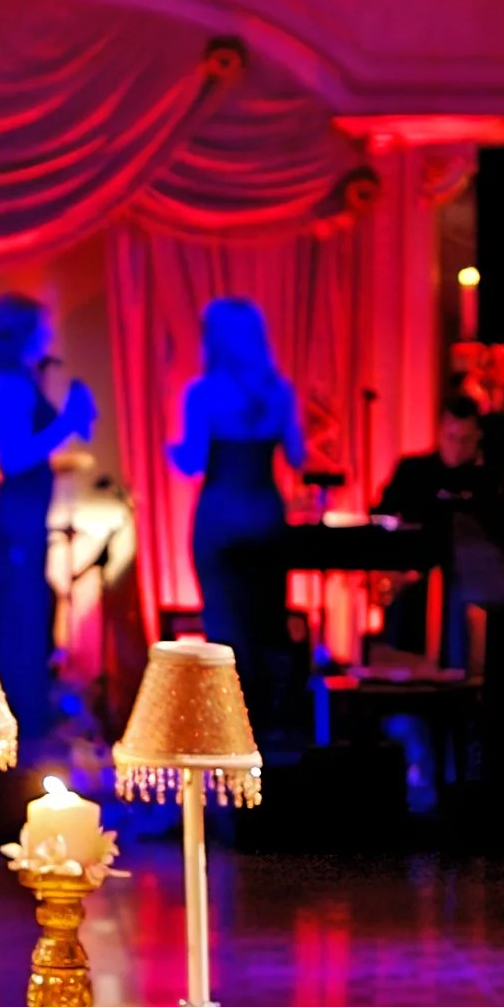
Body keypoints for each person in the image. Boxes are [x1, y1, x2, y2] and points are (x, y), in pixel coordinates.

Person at [170, 298, 303, 736]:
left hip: (221, 520)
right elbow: (298, 456)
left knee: (228, 636)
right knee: (267, 629)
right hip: (266, 516)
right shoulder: (280, 390)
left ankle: (231, 739)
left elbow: (192, 461)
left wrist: (170, 450)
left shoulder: (202, 392)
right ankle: (271, 737)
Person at [0, 294, 95, 742]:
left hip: (28, 516)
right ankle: (21, 733)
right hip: (20, 518)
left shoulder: (19, 380)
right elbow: (14, 457)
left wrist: (70, 420)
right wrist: (67, 421)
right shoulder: (9, 383)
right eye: (44, 327)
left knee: (29, 616)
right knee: (22, 623)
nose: (50, 335)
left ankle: (25, 728)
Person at [376, 391, 504, 662]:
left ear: (478, 437)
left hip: (470, 583)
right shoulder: (413, 472)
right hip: (415, 581)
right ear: (440, 431)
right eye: (451, 438)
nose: (457, 448)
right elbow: (382, 515)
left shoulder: (489, 482)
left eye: (465, 440)